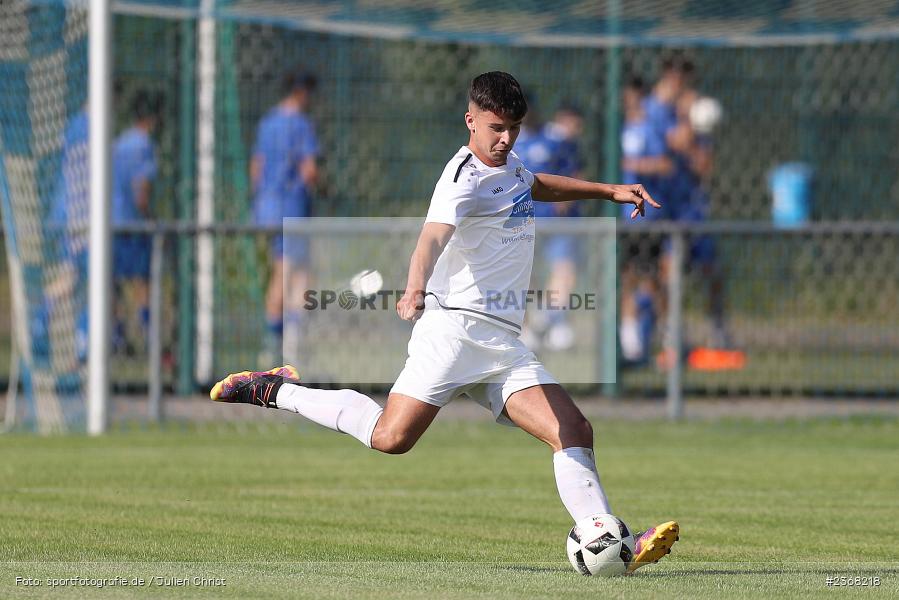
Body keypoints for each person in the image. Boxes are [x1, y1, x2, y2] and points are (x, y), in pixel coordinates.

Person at [211, 72, 678, 571]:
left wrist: (609, 191)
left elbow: (533, 184)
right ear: (470, 120)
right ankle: (275, 389)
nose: (506, 139)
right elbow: (431, 239)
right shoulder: (460, 181)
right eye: (496, 128)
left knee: (573, 429)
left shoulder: (507, 163)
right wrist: (415, 287)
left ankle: (612, 544)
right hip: (454, 333)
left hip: (501, 342)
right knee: (391, 438)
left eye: (514, 129)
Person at [251, 68, 319, 364]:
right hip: (292, 208)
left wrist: (261, 201)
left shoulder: (267, 122)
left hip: (267, 208)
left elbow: (256, 167)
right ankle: (286, 345)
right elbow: (309, 170)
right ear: (302, 92)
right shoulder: (301, 125)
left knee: (281, 271)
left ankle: (275, 342)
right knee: (294, 275)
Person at [515, 103, 586, 351]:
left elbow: (574, 171)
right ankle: (526, 328)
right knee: (522, 274)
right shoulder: (509, 143)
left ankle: (554, 321)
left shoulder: (556, 139)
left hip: (556, 222)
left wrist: (567, 198)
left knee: (564, 269)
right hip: (522, 221)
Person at [618, 76, 672, 364]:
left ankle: (665, 334)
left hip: (647, 217)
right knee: (626, 277)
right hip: (622, 218)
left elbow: (664, 163)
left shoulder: (649, 129)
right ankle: (629, 340)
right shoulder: (616, 127)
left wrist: (635, 165)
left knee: (652, 278)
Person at [111, 91, 160, 352]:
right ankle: (148, 333)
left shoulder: (118, 143)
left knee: (113, 281)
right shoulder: (144, 144)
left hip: (111, 221)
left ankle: (117, 336)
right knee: (143, 281)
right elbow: (140, 190)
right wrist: (151, 218)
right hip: (132, 223)